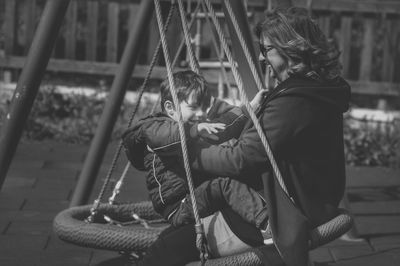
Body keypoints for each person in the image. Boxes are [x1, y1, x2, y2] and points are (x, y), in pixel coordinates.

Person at [138, 7, 351, 266]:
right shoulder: (314, 91)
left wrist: (188, 152)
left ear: (291, 47)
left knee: (165, 249)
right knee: (175, 235)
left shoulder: (296, 101)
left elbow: (242, 157)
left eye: (267, 50)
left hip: (279, 211)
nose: (262, 59)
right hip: (297, 200)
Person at [122, 70, 269, 233]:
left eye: (202, 107)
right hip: (178, 206)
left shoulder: (192, 128)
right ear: (170, 108)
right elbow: (164, 137)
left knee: (233, 177)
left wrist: (249, 108)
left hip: (193, 196)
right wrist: (195, 129)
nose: (201, 113)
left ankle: (260, 209)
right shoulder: (154, 127)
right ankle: (266, 222)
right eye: (193, 107)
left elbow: (221, 127)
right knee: (223, 184)